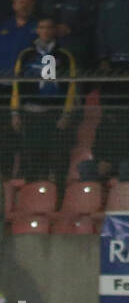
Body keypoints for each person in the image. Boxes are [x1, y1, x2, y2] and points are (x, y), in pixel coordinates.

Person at [10, 17, 77, 184]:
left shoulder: (65, 55)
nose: (46, 31)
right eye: (42, 27)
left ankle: (58, 199)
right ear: (37, 30)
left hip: (55, 115)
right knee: (31, 156)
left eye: (49, 27)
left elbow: (71, 87)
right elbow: (17, 85)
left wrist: (66, 114)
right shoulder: (26, 55)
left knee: (58, 157)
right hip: (31, 114)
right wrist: (15, 112)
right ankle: (32, 195)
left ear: (54, 31)